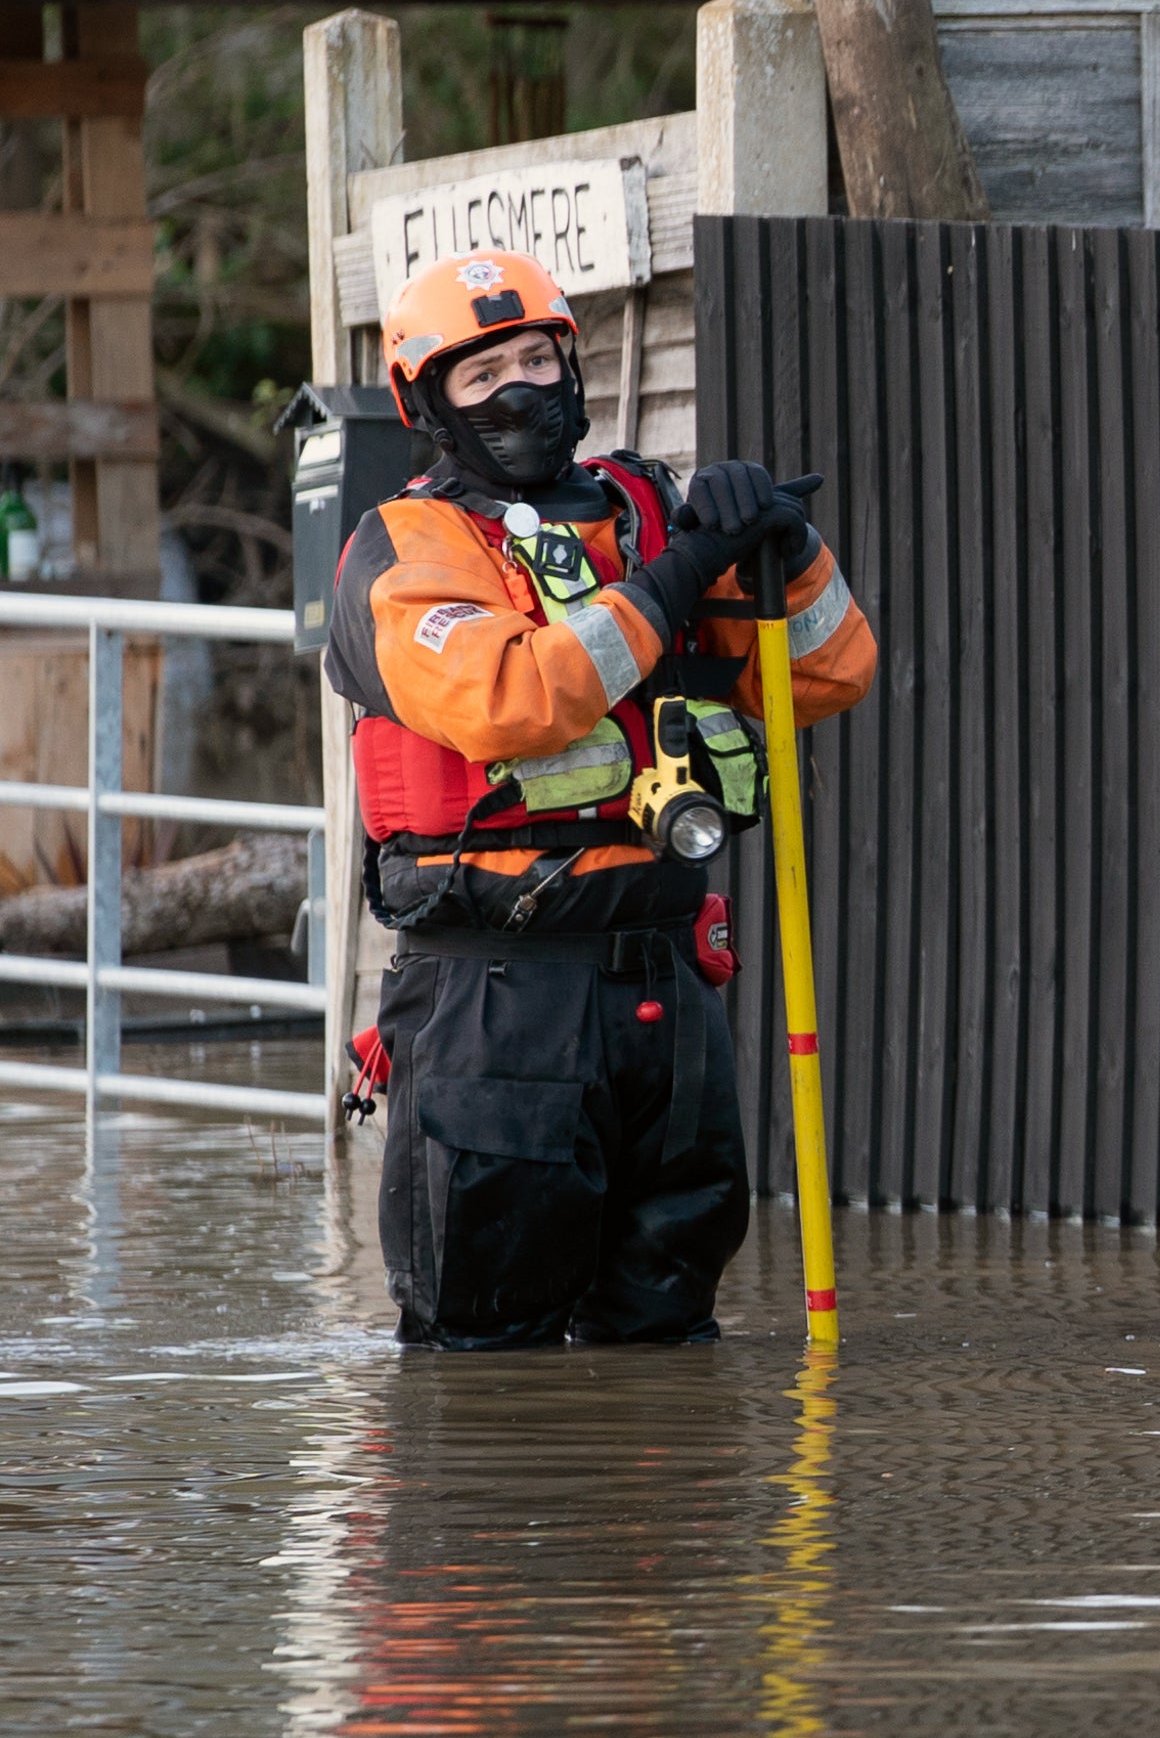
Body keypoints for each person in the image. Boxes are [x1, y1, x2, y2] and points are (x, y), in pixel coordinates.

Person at [329, 247, 875, 1348]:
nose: (522, 389)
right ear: (430, 404)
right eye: (484, 376)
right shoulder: (406, 550)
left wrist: (784, 551)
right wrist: (676, 577)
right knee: (484, 1364)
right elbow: (511, 698)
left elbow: (827, 674)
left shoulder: (649, 511)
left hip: (664, 996)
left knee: (667, 1345)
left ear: (576, 369)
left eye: (538, 357)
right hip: (496, 1001)